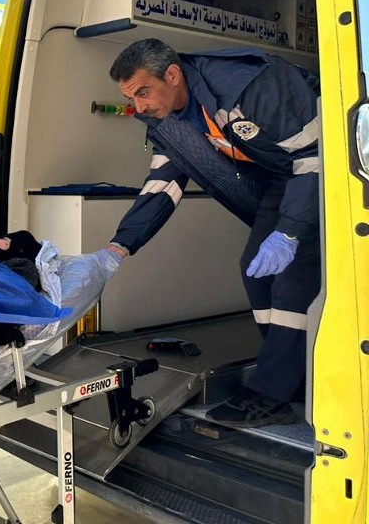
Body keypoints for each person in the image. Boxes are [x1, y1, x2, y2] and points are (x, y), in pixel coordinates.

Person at [103, 38, 320, 427]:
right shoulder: (170, 117)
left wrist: (289, 231)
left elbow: (313, 154)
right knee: (255, 271)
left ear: (172, 75)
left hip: (327, 171)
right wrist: (120, 246)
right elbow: (163, 182)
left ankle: (271, 393)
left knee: (292, 278)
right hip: (282, 178)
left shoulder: (247, 85)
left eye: (143, 93)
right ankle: (294, 378)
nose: (139, 107)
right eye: (131, 98)